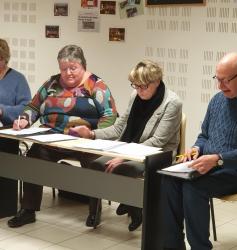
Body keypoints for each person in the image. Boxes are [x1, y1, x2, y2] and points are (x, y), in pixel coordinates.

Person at [7, 44, 117, 228]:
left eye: (73, 68)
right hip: (51, 137)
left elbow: (110, 117)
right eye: (64, 69)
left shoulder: (97, 86)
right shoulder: (52, 84)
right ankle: (28, 210)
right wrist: (24, 119)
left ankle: (94, 210)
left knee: (94, 165)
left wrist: (92, 134)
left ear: (83, 65)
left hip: (84, 140)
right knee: (33, 157)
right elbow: (34, 106)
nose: (68, 73)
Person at [70, 60, 182, 231]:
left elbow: (158, 141)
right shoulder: (135, 95)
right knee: (95, 165)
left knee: (123, 169)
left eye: (143, 86)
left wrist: (122, 157)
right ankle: (97, 212)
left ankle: (133, 207)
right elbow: (120, 127)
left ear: (156, 81)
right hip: (128, 148)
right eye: (135, 86)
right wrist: (92, 134)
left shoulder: (172, 102)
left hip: (157, 154)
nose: (138, 91)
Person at [160, 52, 237, 250]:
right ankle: (173, 245)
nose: (220, 86)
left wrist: (218, 159)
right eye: (218, 80)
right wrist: (196, 148)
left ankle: (200, 247)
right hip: (211, 164)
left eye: (226, 80)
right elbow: (204, 136)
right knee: (169, 179)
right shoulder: (218, 100)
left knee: (194, 186)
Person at [0, 38, 31, 217]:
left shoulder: (18, 79)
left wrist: (3, 110)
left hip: (7, 132)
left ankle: (5, 206)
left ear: (5, 59)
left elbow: (26, 108)